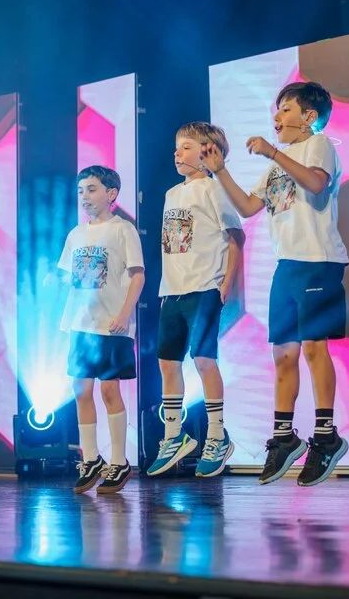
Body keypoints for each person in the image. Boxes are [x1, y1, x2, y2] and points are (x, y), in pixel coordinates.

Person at [200, 81, 349, 487]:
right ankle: (284, 437)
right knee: (283, 353)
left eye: (286, 109)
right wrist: (220, 170)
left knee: (314, 348)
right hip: (287, 266)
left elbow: (316, 184)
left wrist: (273, 152)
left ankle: (326, 435)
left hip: (318, 261)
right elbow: (249, 207)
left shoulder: (318, 145)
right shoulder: (277, 165)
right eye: (277, 109)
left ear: (309, 117)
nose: (277, 116)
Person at [147, 122, 245, 478]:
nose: (178, 153)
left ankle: (217, 436)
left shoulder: (214, 190)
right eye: (177, 147)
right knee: (167, 362)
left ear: (207, 154)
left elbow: (236, 237)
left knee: (203, 358)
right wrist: (166, 290)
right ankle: (175, 435)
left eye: (186, 147)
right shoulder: (172, 194)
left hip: (205, 286)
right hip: (172, 290)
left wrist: (226, 284)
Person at [52, 165, 145, 494]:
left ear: (111, 194)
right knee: (81, 390)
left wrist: (124, 314)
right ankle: (90, 458)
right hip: (80, 323)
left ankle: (119, 461)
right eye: (81, 191)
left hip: (110, 325)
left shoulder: (123, 230)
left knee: (109, 391)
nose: (85, 196)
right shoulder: (76, 234)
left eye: (91, 189)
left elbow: (137, 275)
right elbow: (68, 275)